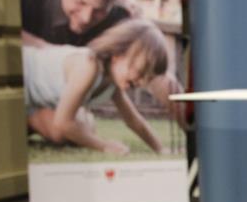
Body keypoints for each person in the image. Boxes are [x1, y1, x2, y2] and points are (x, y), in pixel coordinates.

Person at [18, 0, 186, 128]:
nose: (86, 18)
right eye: (80, 2)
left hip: (54, 108)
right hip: (19, 95)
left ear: (114, 0)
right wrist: (52, 51)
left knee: (83, 125)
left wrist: (190, 120)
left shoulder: (119, 20)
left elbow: (157, 74)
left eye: (99, 10)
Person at [24, 19, 173, 155]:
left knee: (84, 128)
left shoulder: (113, 83)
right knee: (68, 129)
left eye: (148, 79)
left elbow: (133, 120)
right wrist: (104, 146)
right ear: (117, 54)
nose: (140, 82)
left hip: (34, 102)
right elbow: (62, 122)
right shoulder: (88, 65)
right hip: (22, 77)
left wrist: (160, 148)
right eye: (139, 72)